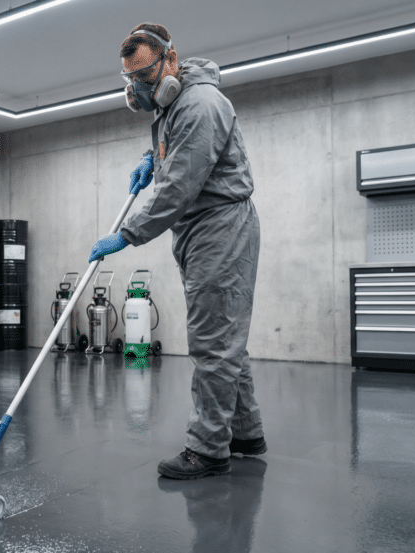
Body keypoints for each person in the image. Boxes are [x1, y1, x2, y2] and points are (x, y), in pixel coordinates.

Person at [89, 23, 266, 480]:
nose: (139, 91)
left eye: (145, 81)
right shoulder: (172, 109)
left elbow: (178, 193)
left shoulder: (201, 104)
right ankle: (245, 434)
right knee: (225, 341)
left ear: (171, 62)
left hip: (218, 226)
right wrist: (153, 159)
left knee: (213, 344)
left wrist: (127, 234)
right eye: (131, 82)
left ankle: (208, 450)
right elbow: (177, 164)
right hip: (198, 229)